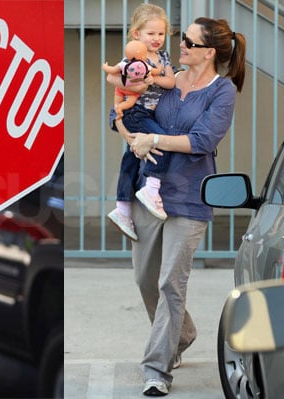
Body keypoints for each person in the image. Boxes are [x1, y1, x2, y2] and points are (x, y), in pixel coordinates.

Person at [110, 18, 246, 396]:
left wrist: (154, 137)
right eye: (181, 38)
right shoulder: (161, 76)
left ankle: (156, 370)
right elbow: (121, 108)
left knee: (171, 282)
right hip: (146, 193)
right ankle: (182, 334)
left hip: (189, 196)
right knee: (144, 279)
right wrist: (130, 134)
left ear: (209, 52)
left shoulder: (222, 92)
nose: (179, 44)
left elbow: (202, 140)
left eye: (188, 40)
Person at [104, 3, 175, 241]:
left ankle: (123, 209)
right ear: (137, 34)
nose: (156, 39)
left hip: (148, 114)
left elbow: (170, 82)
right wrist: (135, 83)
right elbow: (114, 77)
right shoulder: (133, 57)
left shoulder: (163, 57)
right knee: (162, 142)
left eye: (161, 34)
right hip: (136, 112)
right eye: (151, 33)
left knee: (130, 160)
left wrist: (153, 79)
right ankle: (151, 188)